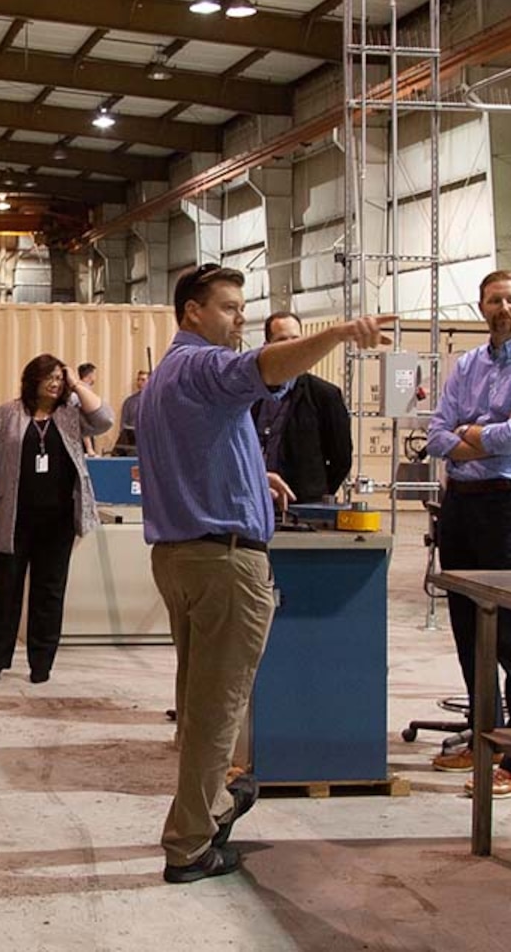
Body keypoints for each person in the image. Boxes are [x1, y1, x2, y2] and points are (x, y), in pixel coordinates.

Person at [138, 263, 389, 884]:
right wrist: (337, 335)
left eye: (241, 307)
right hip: (223, 562)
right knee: (217, 710)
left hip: (184, 556)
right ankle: (191, 844)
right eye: (228, 307)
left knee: (200, 701)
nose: (240, 317)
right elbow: (264, 368)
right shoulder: (200, 365)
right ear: (192, 311)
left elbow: (206, 448)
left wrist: (256, 474)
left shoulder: (169, 378)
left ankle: (215, 804)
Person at [424, 269, 511, 800]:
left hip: (507, 508)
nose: (502, 307)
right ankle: (485, 740)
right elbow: (438, 435)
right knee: (468, 630)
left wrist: (472, 434)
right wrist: (476, 437)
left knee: (510, 630)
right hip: (461, 506)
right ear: (481, 307)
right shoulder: (467, 364)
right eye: (493, 300)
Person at [0, 355, 113, 684]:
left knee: (49, 591)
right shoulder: (8, 413)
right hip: (13, 519)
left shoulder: (71, 414)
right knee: (4, 590)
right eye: (48, 377)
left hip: (58, 521)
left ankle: (41, 662)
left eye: (58, 377)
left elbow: (105, 419)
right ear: (32, 380)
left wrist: (76, 383)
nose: (54, 383)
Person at [254, 312, 354, 504]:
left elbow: (341, 459)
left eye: (296, 339)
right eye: (282, 340)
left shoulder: (324, 396)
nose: (292, 346)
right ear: (267, 347)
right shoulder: (252, 394)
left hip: (303, 505)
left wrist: (315, 492)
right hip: (257, 500)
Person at [113, 369, 149, 456]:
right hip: (131, 442)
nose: (140, 382)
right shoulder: (129, 401)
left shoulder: (154, 401)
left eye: (143, 380)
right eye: (138, 379)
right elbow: (123, 424)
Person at [76, 362, 100, 455]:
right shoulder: (84, 392)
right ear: (90, 375)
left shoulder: (78, 389)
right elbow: (82, 421)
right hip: (83, 439)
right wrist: (89, 447)